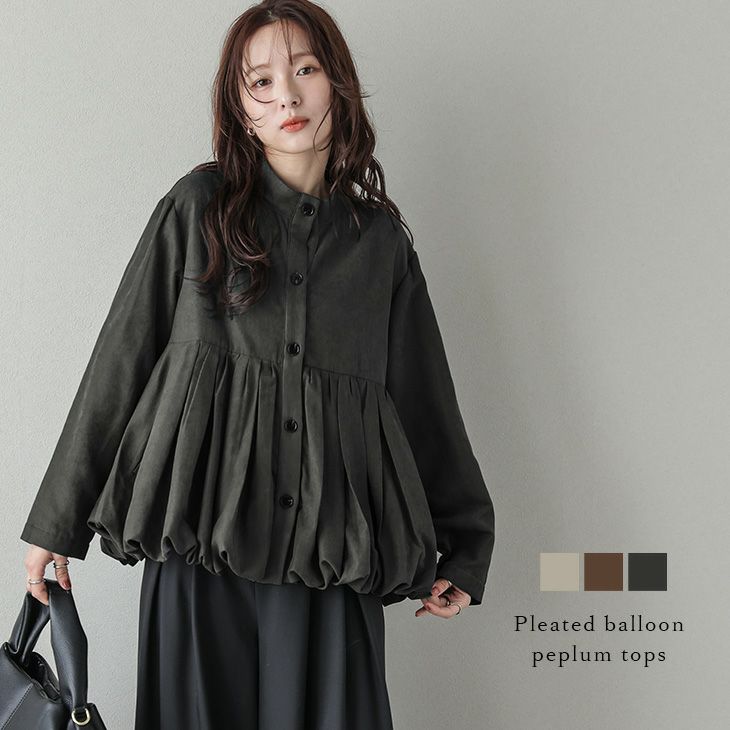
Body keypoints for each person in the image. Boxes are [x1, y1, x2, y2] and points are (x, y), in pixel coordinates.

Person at [20, 1, 495, 727]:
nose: (287, 97)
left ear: (338, 83)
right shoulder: (197, 209)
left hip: (330, 557)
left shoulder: (380, 247)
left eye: (305, 70)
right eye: (262, 82)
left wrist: (462, 550)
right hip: (200, 553)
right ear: (239, 108)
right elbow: (122, 357)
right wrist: (56, 524)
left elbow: (424, 402)